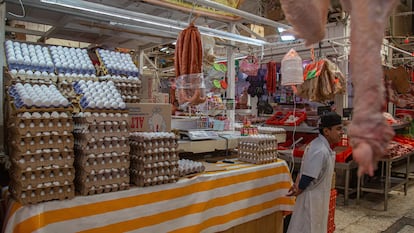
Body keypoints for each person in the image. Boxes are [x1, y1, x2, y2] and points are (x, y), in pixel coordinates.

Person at [286, 112, 344, 233]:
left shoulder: (321, 146)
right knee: (308, 227)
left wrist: (297, 185)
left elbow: (304, 170)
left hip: (318, 197)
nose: (341, 132)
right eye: (338, 129)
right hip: (312, 200)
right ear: (326, 131)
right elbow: (308, 175)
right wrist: (298, 189)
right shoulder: (320, 150)